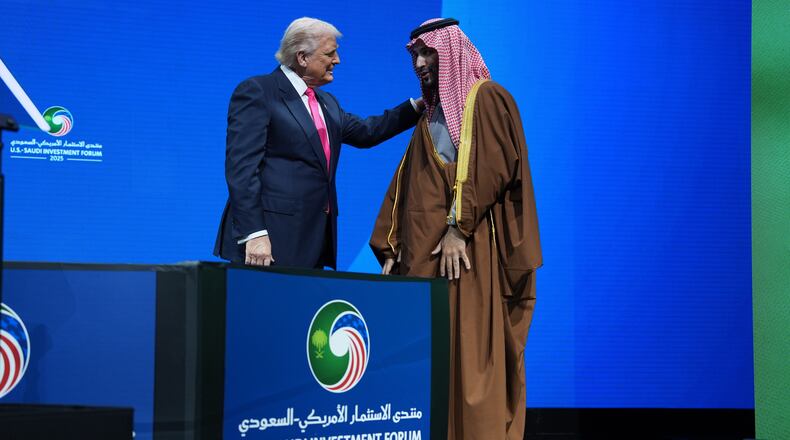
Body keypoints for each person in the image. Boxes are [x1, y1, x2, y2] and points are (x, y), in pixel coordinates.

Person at [369, 18, 542, 440]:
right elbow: (405, 183)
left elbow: (492, 170)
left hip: (468, 261)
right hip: (425, 268)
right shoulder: (429, 120)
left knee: (470, 359)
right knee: (430, 365)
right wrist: (388, 246)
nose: (420, 63)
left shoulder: (487, 100)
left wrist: (458, 229)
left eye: (428, 53)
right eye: (415, 55)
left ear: (451, 53)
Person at [215, 17, 422, 269]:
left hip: (313, 238)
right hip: (269, 239)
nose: (337, 60)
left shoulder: (327, 103)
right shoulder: (259, 91)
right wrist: (255, 233)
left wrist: (417, 107)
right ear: (302, 57)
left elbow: (368, 131)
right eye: (330, 53)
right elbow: (242, 169)